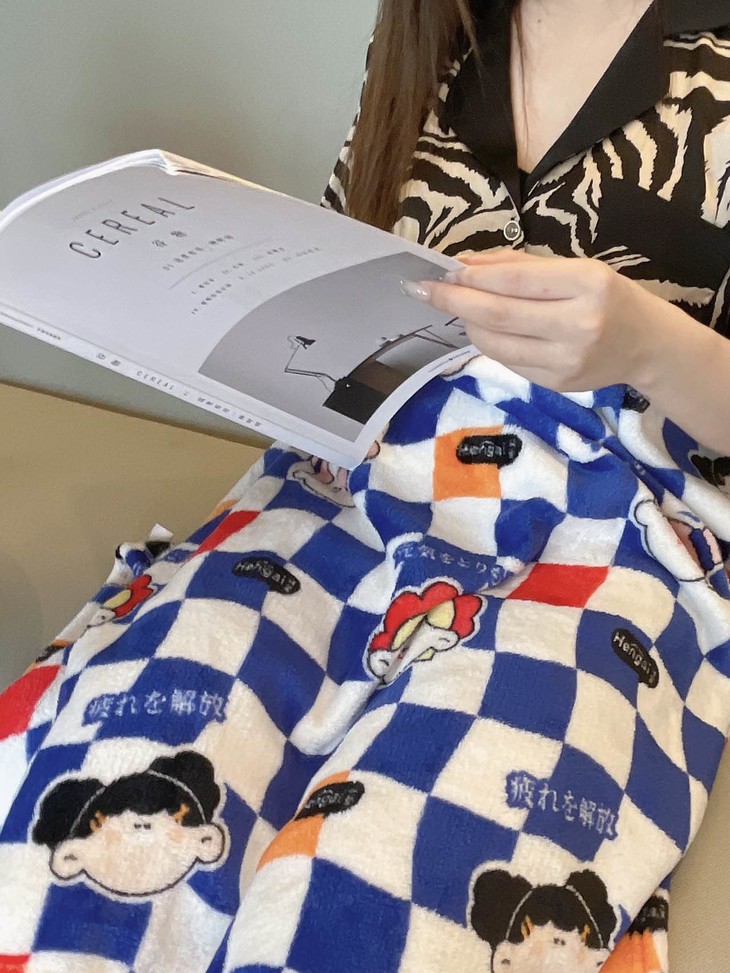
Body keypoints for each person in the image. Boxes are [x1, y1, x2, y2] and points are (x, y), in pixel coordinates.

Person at [1, 2, 730, 971]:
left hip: (614, 534)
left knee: (382, 873)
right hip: (350, 485)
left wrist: (654, 349)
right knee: (125, 764)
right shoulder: (434, 30)